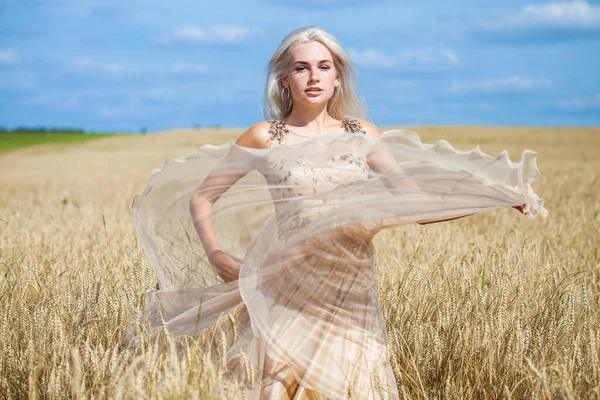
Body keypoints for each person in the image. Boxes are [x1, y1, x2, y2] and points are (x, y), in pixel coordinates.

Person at [132, 26, 547, 399]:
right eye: (301, 67)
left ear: (337, 78)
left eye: (323, 66)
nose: (313, 77)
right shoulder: (264, 137)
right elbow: (202, 197)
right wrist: (216, 255)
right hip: (287, 286)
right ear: (284, 80)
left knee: (352, 386)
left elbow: (414, 200)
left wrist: (493, 195)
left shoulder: (362, 134)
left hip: (351, 289)